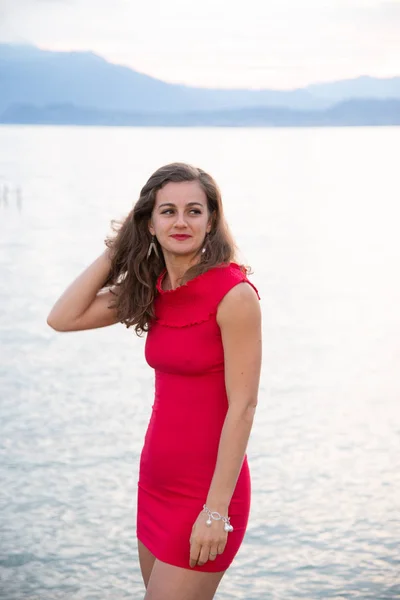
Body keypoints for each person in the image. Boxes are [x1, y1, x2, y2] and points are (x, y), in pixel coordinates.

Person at [47, 162, 262, 600]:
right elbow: (62, 317)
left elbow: (243, 408)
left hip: (209, 494)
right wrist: (122, 247)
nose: (181, 222)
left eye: (194, 211)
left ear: (212, 221)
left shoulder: (234, 295)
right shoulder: (151, 288)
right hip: (156, 484)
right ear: (148, 221)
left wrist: (216, 511)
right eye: (167, 211)